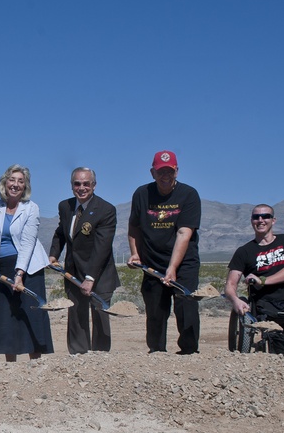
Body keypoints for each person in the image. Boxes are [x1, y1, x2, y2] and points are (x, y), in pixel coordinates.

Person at [127, 150, 202, 354]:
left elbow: (184, 233)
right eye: (161, 172)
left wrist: (172, 267)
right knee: (155, 310)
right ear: (153, 172)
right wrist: (135, 253)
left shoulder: (189, 194)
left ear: (176, 171)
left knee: (186, 304)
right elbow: (134, 227)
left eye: (169, 171)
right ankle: (157, 352)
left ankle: (189, 351)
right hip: (152, 262)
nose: (165, 176)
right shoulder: (142, 194)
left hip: (184, 262)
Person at [0, 165, 54, 360]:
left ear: (25, 186)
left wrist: (19, 275)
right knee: (7, 315)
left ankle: (35, 363)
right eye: (12, 180)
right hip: (3, 265)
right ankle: (10, 367)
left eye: (21, 181)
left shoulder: (31, 208)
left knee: (32, 313)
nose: (15, 184)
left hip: (29, 268)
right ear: (5, 182)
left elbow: (28, 244)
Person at [49, 167, 120, 354]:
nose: (82, 188)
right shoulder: (65, 206)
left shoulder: (105, 210)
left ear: (94, 186)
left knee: (100, 314)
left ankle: (100, 357)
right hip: (73, 272)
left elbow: (102, 247)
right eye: (77, 184)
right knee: (77, 316)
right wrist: (53, 255)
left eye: (86, 184)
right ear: (72, 186)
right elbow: (60, 233)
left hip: (100, 273)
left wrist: (90, 278)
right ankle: (78, 356)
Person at [225, 204, 284, 319]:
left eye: (265, 216)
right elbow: (230, 284)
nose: (260, 220)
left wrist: (262, 281)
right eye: (256, 217)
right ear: (252, 221)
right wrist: (235, 300)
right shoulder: (243, 251)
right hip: (262, 305)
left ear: (273, 220)